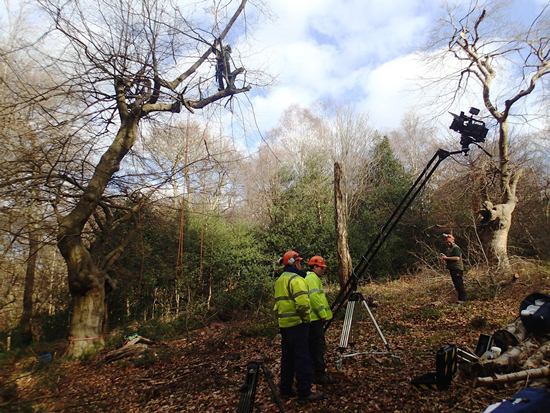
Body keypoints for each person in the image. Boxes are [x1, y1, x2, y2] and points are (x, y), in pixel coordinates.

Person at [273, 250, 324, 404]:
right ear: (293, 262)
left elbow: (278, 304)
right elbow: (302, 304)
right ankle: (304, 392)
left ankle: (286, 389)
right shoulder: (296, 280)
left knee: (287, 358)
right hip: (298, 325)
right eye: (299, 261)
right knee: (303, 358)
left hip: (285, 326)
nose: (301, 264)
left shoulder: (280, 280)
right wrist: (306, 319)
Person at [305, 255, 335, 385]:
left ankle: (314, 373)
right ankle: (319, 374)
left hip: (314, 319)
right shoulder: (312, 278)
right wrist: (323, 314)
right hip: (314, 319)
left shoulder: (312, 278)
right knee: (317, 347)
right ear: (315, 267)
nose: (323, 270)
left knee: (315, 346)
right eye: (321, 267)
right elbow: (314, 299)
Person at [440, 234, 468, 302]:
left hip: (457, 269)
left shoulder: (456, 248)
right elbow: (450, 258)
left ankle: (463, 299)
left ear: (453, 240)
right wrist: (445, 257)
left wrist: (446, 258)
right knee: (456, 284)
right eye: (447, 242)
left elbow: (457, 258)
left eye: (449, 242)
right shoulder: (450, 249)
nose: (448, 243)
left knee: (459, 284)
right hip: (453, 269)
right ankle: (460, 299)